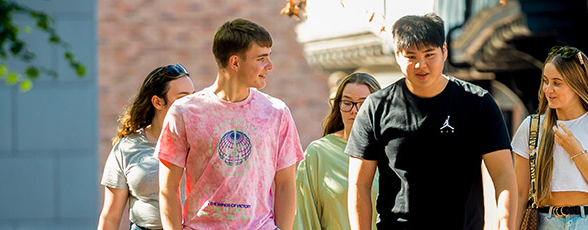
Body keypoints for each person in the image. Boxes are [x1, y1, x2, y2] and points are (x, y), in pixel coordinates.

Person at [346, 12, 519, 230]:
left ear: (444, 51)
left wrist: (506, 226)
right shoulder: (375, 107)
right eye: (411, 56)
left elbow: (503, 174)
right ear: (397, 56)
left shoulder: (478, 103)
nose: (421, 65)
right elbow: (359, 184)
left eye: (429, 54)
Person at [156, 18, 303, 230]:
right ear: (235, 63)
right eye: (261, 59)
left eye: (269, 57)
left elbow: (286, 184)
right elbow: (168, 188)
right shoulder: (184, 112)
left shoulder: (276, 112)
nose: (270, 66)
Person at [510, 46, 588, 230]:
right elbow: (521, 194)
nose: (548, 89)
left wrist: (576, 152)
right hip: (545, 223)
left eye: (557, 83)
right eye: (546, 81)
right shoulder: (531, 127)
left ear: (577, 84)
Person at [98, 64, 196, 230]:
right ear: (158, 102)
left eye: (193, 97)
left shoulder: (201, 142)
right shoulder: (127, 147)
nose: (191, 104)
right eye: (183, 98)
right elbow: (110, 217)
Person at [295, 73, 382, 230]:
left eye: (363, 104)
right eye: (347, 103)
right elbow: (303, 218)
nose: (354, 111)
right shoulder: (318, 153)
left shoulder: (391, 152)